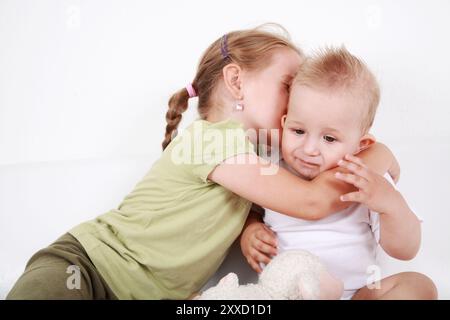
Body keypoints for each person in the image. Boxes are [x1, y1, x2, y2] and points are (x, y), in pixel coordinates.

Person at [7, 25, 397, 300]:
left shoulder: (262, 157)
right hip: (84, 268)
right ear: (237, 81)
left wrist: (248, 228)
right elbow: (311, 202)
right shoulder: (210, 137)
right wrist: (379, 157)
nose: (297, 98)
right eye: (288, 84)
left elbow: (254, 206)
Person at [240, 46, 437, 300]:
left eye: (329, 138)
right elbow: (249, 209)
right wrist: (249, 230)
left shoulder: (368, 181)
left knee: (419, 286)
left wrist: (390, 204)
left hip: (357, 294)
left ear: (361, 146)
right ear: (284, 123)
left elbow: (406, 250)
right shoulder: (272, 169)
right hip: (291, 294)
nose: (308, 149)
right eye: (298, 131)